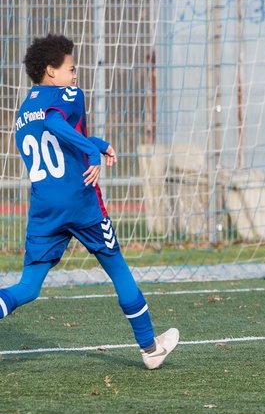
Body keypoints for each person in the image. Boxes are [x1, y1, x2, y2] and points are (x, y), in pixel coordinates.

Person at [0, 34, 179, 368]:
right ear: (51, 71)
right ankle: (150, 349)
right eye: (70, 67)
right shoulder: (67, 93)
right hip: (81, 201)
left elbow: (53, 136)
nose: (75, 73)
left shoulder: (24, 111)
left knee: (28, 286)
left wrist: (96, 142)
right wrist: (90, 150)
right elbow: (56, 123)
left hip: (44, 209)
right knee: (116, 266)